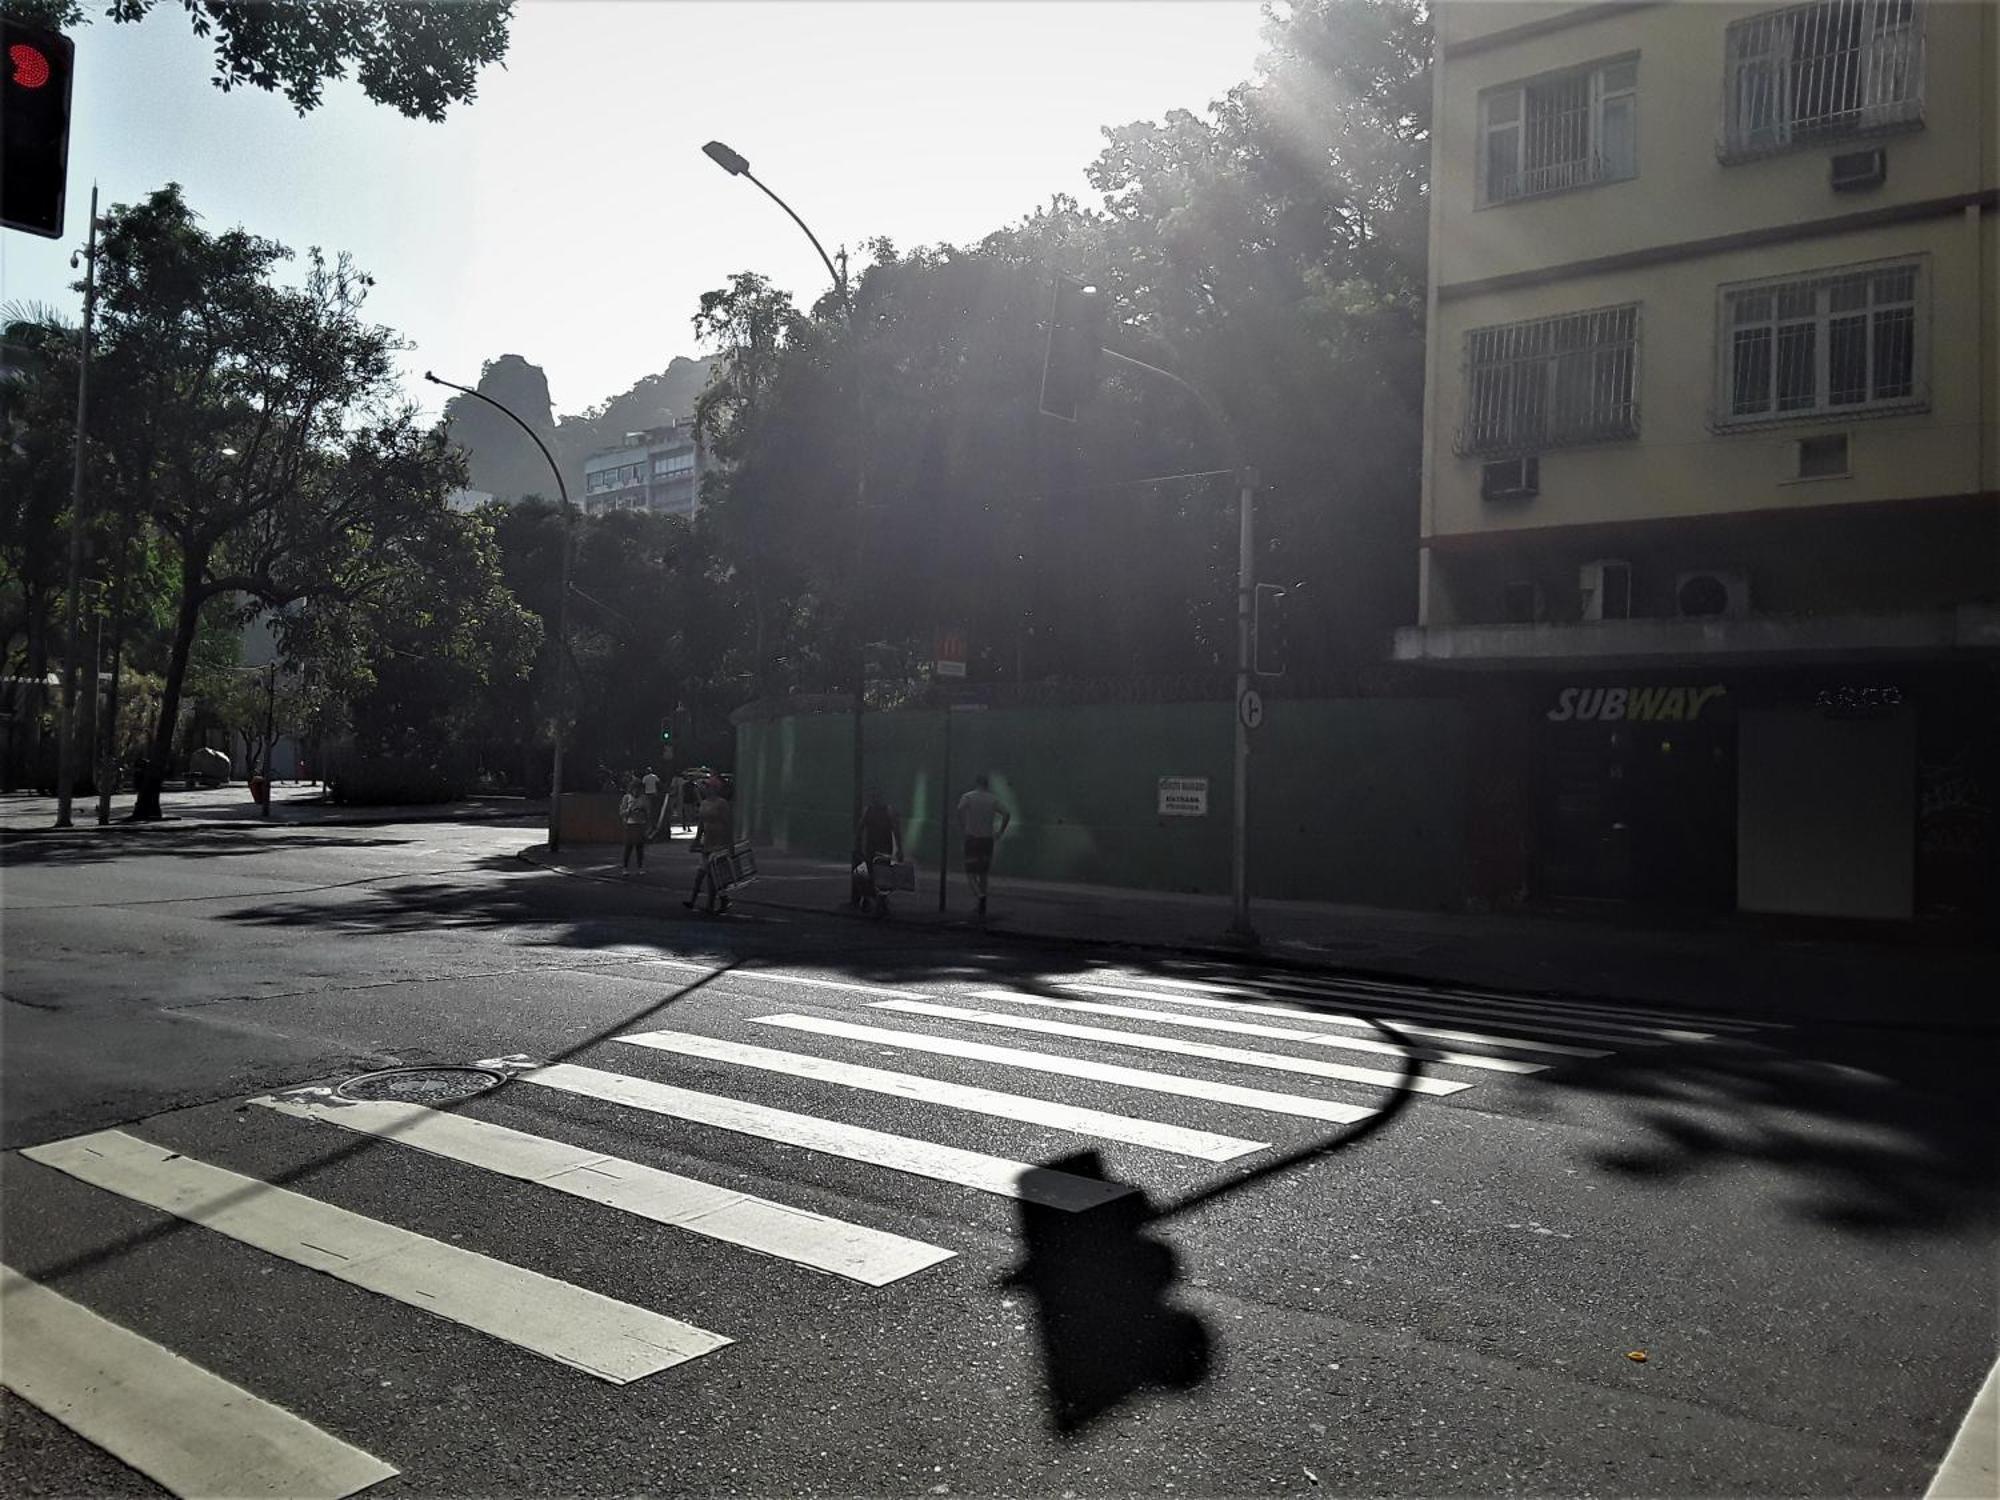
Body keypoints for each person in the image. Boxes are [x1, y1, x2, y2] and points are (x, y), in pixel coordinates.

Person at [955, 773, 1011, 918]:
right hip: (987, 840)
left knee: (970, 872)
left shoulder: (968, 797)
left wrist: (963, 827)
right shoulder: (993, 799)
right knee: (983, 873)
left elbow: (959, 810)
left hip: (972, 838)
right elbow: (1006, 813)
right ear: (987, 785)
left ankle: (980, 897)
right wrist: (1000, 832)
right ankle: (982, 901)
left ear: (976, 783)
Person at [684, 778, 736, 914]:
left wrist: (730, 845)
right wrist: (696, 840)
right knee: (701, 874)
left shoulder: (722, 804)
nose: (706, 789)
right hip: (707, 842)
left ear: (715, 788)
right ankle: (694, 900)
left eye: (708, 787)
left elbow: (728, 824)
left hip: (719, 843)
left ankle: (711, 904)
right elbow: (701, 823)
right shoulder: (704, 803)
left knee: (713, 875)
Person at [851, 788, 903, 908]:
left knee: (875, 875)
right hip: (881, 849)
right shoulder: (886, 811)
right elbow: (896, 830)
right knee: (880, 876)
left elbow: (860, 829)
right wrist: (899, 848)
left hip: (874, 848)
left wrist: (857, 845)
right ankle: (879, 900)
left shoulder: (869, 811)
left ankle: (874, 900)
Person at [618, 776, 650, 874]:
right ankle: (625, 867)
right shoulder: (627, 797)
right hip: (630, 823)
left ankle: (640, 867)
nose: (637, 791)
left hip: (640, 823)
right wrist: (629, 810)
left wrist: (644, 812)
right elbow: (621, 812)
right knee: (629, 846)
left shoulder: (644, 798)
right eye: (635, 789)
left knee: (640, 847)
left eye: (639, 789)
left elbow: (648, 811)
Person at [641, 766, 663, 839]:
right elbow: (658, 783)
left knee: (649, 806)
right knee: (654, 806)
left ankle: (649, 816)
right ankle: (654, 816)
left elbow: (643, 785)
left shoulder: (645, 777)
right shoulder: (654, 776)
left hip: (647, 793)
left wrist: (643, 792)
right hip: (654, 793)